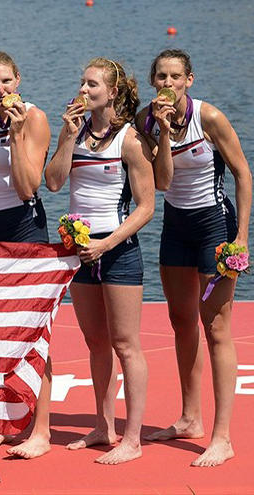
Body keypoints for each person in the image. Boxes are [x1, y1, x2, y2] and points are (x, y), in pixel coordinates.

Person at [135, 49, 251, 467]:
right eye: (161, 77)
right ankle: (190, 418)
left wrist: (240, 238)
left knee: (216, 328)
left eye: (175, 77)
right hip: (176, 228)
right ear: (154, 81)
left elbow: (242, 172)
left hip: (214, 228)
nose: (168, 84)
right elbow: (162, 182)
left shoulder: (210, 118)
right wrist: (163, 132)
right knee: (181, 322)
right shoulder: (146, 120)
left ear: (189, 80)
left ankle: (222, 437)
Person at [45, 58, 154, 464]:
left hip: (118, 250)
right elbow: (54, 182)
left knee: (126, 344)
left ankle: (133, 438)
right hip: (80, 250)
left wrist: (106, 244)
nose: (84, 89)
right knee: (96, 343)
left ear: (111, 92)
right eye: (81, 81)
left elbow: (145, 208)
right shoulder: (75, 131)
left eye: (92, 84)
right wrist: (67, 138)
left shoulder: (130, 140)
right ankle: (103, 425)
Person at [0, 51, 53, 457]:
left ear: (18, 79)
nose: (0, 91)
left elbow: (26, 187)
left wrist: (17, 135)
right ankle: (3, 420)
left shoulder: (33, 118)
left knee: (33, 331)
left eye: (6, 82)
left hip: (23, 226)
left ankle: (41, 430)